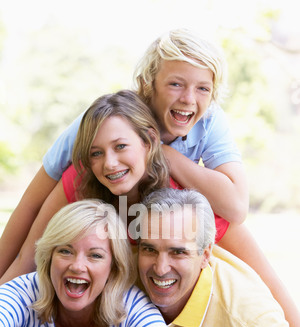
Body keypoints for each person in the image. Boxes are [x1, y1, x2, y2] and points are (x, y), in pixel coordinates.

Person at [1, 29, 299, 327]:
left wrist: (165, 154)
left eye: (202, 89)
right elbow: (29, 225)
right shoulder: (94, 135)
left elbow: (239, 218)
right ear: (147, 85)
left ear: (149, 142)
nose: (188, 98)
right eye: (174, 84)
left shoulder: (199, 145)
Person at [0, 90, 229, 284]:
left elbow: (249, 264)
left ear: (148, 142)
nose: (109, 163)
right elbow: (27, 259)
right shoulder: (80, 180)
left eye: (120, 146)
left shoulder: (180, 199)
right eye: (96, 153)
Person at [136, 188, 300, 327]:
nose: (160, 268)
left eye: (178, 252)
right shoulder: (127, 274)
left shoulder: (246, 311)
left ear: (205, 255)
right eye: (149, 250)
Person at [0, 199, 184, 327]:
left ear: (114, 267)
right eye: (65, 251)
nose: (77, 266)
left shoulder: (131, 304)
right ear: (49, 257)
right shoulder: (25, 291)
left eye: (95, 255)